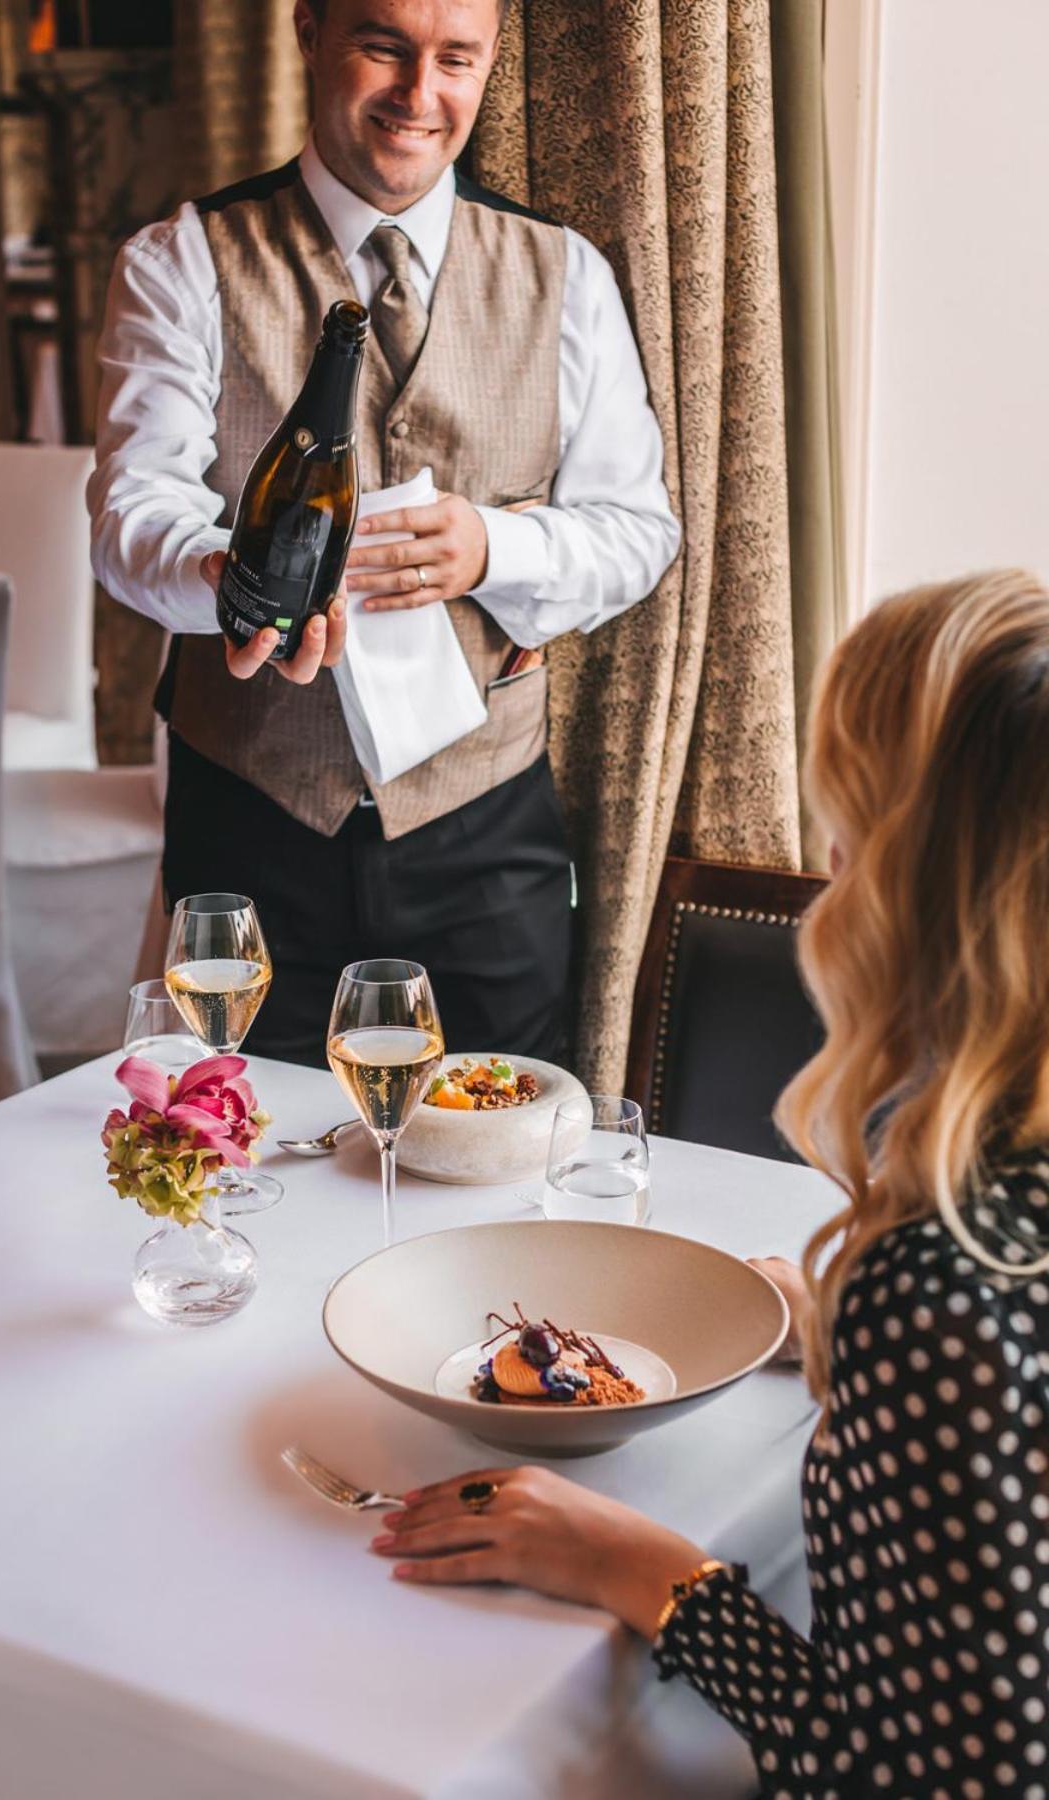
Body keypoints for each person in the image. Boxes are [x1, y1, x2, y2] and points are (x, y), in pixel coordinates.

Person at [371, 570, 1049, 1797]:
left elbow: (913, 1778)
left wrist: (641, 1568)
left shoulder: (944, 1292)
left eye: (846, 810)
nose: (826, 858)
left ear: (909, 872)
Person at [88, 0, 680, 1067]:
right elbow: (132, 518)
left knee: (498, 1181)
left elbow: (639, 531)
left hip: (484, 837)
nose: (421, 95)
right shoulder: (181, 261)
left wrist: (493, 550)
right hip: (251, 832)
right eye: (384, 49)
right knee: (239, 1155)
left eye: (458, 59)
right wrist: (235, 574)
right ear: (308, 32)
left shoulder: (567, 275)